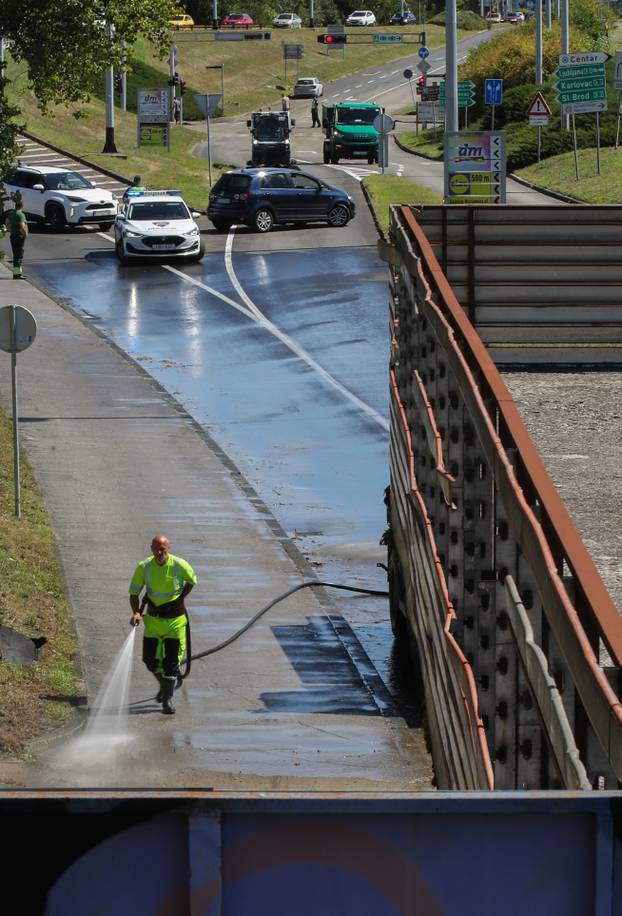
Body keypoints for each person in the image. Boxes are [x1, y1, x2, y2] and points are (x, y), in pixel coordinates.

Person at [129, 533, 198, 715]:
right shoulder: (144, 567)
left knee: (171, 663)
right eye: (156, 549)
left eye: (163, 549)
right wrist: (136, 612)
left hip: (175, 622)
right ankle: (165, 685)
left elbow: (192, 581)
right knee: (150, 661)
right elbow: (134, 593)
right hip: (153, 621)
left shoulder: (179, 565)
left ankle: (167, 700)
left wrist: (181, 598)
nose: (159, 552)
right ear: (151, 549)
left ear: (168, 548)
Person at [4, 194, 28, 280]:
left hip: (13, 236)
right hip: (19, 237)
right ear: (22, 206)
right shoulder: (20, 215)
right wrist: (25, 234)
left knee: (15, 255)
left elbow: (7, 222)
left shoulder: (11, 213)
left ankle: (17, 273)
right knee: (19, 256)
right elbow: (22, 226)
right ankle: (17, 274)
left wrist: (10, 229)